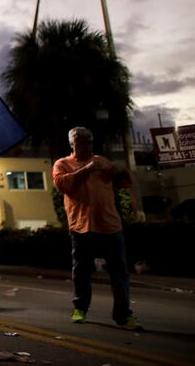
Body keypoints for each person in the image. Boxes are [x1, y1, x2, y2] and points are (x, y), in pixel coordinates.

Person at [52, 126, 141, 330]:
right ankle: (80, 308)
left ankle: (123, 314)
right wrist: (86, 170)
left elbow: (125, 182)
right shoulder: (62, 164)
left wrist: (121, 170)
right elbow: (62, 185)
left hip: (110, 225)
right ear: (72, 144)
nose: (86, 146)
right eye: (81, 142)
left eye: (89, 142)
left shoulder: (102, 161)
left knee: (119, 272)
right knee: (81, 270)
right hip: (81, 227)